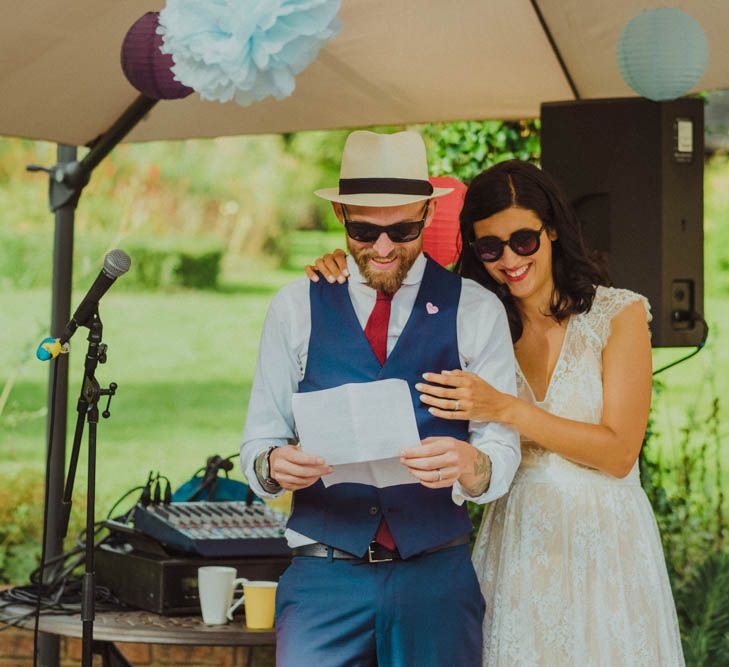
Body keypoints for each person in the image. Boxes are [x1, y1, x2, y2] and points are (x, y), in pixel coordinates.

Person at [306, 159, 685, 666]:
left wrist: (506, 408)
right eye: (490, 248)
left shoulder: (619, 315)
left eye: (524, 240)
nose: (509, 259)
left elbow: (618, 453)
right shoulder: (475, 320)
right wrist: (344, 265)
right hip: (517, 547)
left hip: (606, 547)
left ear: (552, 230)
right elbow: (391, 276)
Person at [241, 130, 520, 667]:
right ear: (342, 217)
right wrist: (274, 465)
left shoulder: (476, 311)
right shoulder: (295, 307)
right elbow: (258, 440)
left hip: (436, 578)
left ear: (426, 216)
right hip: (323, 579)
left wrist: (472, 465)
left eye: (403, 229)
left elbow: (502, 452)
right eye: (366, 230)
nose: (385, 248)